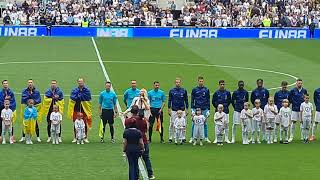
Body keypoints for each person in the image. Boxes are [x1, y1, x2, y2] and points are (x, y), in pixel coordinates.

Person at [125, 105, 156, 180]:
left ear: (131, 112)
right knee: (146, 158)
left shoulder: (128, 120)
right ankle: (150, 174)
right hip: (143, 141)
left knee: (135, 161)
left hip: (132, 142)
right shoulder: (143, 120)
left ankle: (136, 175)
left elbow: (126, 130)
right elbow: (146, 130)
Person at [68, 78, 92, 143]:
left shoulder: (87, 90)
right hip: (76, 109)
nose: (80, 83)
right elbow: (72, 97)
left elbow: (88, 97)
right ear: (77, 83)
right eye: (79, 82)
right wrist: (78, 96)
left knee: (84, 123)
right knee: (76, 123)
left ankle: (85, 137)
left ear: (84, 82)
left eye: (81, 82)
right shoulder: (74, 90)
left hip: (84, 109)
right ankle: (75, 137)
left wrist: (81, 96)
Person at [190, 76, 210, 143]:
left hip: (204, 109)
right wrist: (192, 109)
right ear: (198, 81)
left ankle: (206, 137)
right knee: (193, 123)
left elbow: (208, 100)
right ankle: (192, 137)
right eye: (200, 81)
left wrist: (208, 110)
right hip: (196, 108)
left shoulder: (206, 90)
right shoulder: (194, 90)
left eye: (202, 81)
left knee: (205, 123)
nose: (201, 82)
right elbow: (192, 100)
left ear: (203, 81)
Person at [168, 78, 188, 143]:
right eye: (176, 82)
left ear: (180, 83)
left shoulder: (184, 91)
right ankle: (171, 137)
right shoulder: (171, 91)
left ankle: (183, 137)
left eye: (179, 82)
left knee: (183, 124)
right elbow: (169, 100)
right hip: (174, 110)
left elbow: (186, 100)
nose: (178, 83)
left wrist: (187, 109)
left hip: (182, 110)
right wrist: (169, 109)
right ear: (175, 83)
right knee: (172, 123)